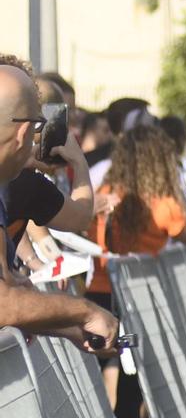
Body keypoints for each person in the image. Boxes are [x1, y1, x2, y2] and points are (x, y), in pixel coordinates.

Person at [87, 127, 186, 418]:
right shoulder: (163, 202)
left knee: (89, 381)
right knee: (129, 390)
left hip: (96, 299)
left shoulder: (105, 192)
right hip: (135, 308)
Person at [0, 59, 119, 347]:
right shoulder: (22, 182)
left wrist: (65, 327)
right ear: (23, 134)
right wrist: (85, 312)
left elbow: (7, 290)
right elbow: (3, 305)